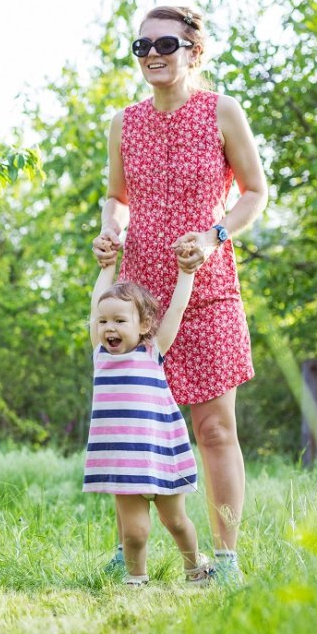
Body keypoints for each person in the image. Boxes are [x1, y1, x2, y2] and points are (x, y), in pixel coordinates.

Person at [93, 5, 268, 582]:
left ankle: (225, 559)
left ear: (195, 50)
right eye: (142, 47)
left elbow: (254, 192)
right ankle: (130, 548)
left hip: (207, 287)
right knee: (135, 425)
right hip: (139, 300)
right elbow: (117, 197)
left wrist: (215, 237)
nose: (152, 55)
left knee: (215, 429)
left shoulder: (222, 111)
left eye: (165, 44)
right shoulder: (124, 123)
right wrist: (111, 228)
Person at [85, 244, 213, 586]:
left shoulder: (152, 351)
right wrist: (107, 268)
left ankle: (195, 568)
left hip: (161, 454)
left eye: (119, 321)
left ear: (143, 325)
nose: (109, 328)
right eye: (103, 322)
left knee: (176, 522)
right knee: (135, 532)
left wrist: (186, 274)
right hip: (124, 461)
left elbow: (177, 309)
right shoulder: (101, 356)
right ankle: (136, 580)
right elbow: (96, 304)